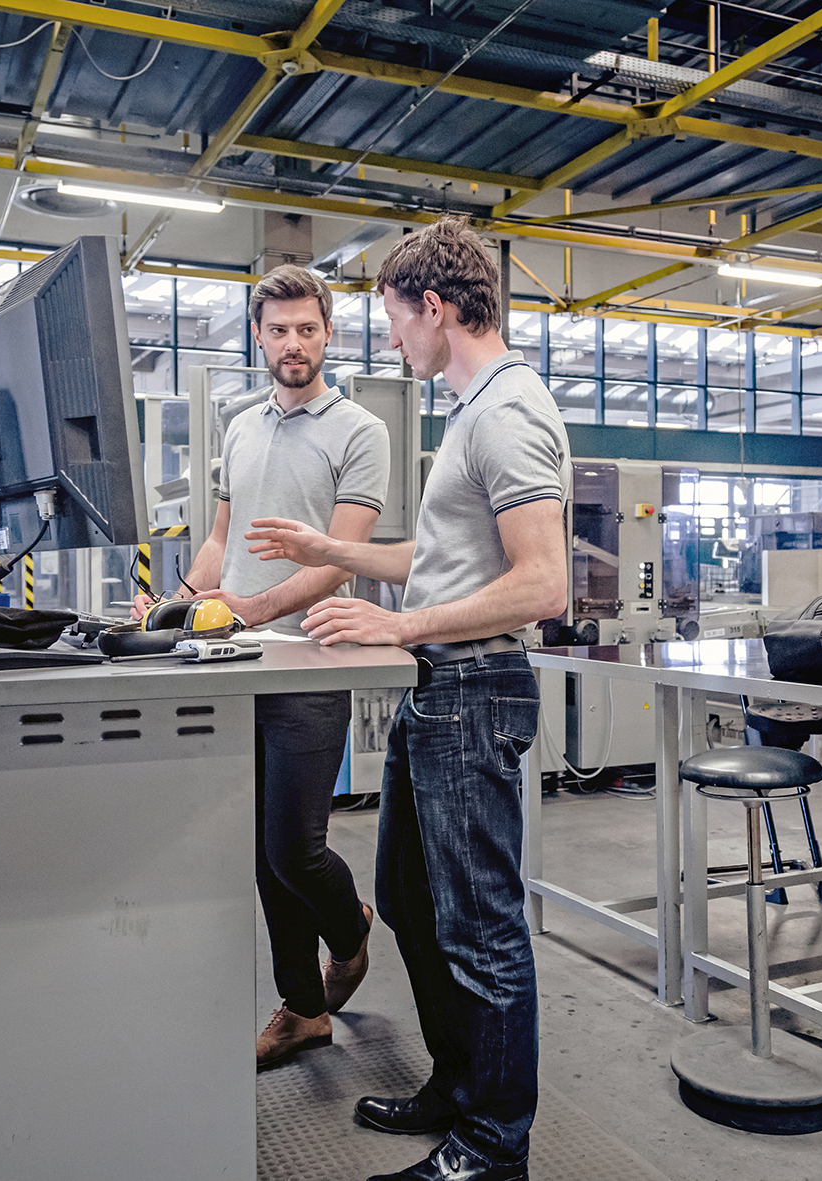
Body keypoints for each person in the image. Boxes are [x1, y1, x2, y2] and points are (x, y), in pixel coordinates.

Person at [245, 218, 569, 1181]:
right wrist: (334, 552)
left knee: (481, 926)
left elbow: (543, 584)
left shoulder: (507, 410)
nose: (393, 342)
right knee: (409, 904)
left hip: (472, 685)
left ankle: (494, 1144)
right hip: (442, 687)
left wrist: (398, 627)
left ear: (435, 308)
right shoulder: (471, 410)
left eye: (395, 322)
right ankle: (457, 1089)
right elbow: (436, 561)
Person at [134, 264, 391, 1070]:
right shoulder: (240, 425)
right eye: (278, 330)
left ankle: (349, 932)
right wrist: (173, 602)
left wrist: (253, 609)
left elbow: (338, 562)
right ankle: (303, 1007)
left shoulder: (360, 432)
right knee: (258, 851)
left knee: (296, 849)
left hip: (309, 657)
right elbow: (220, 541)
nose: (293, 343)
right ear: (259, 336)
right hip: (232, 660)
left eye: (307, 328)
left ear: (327, 333)